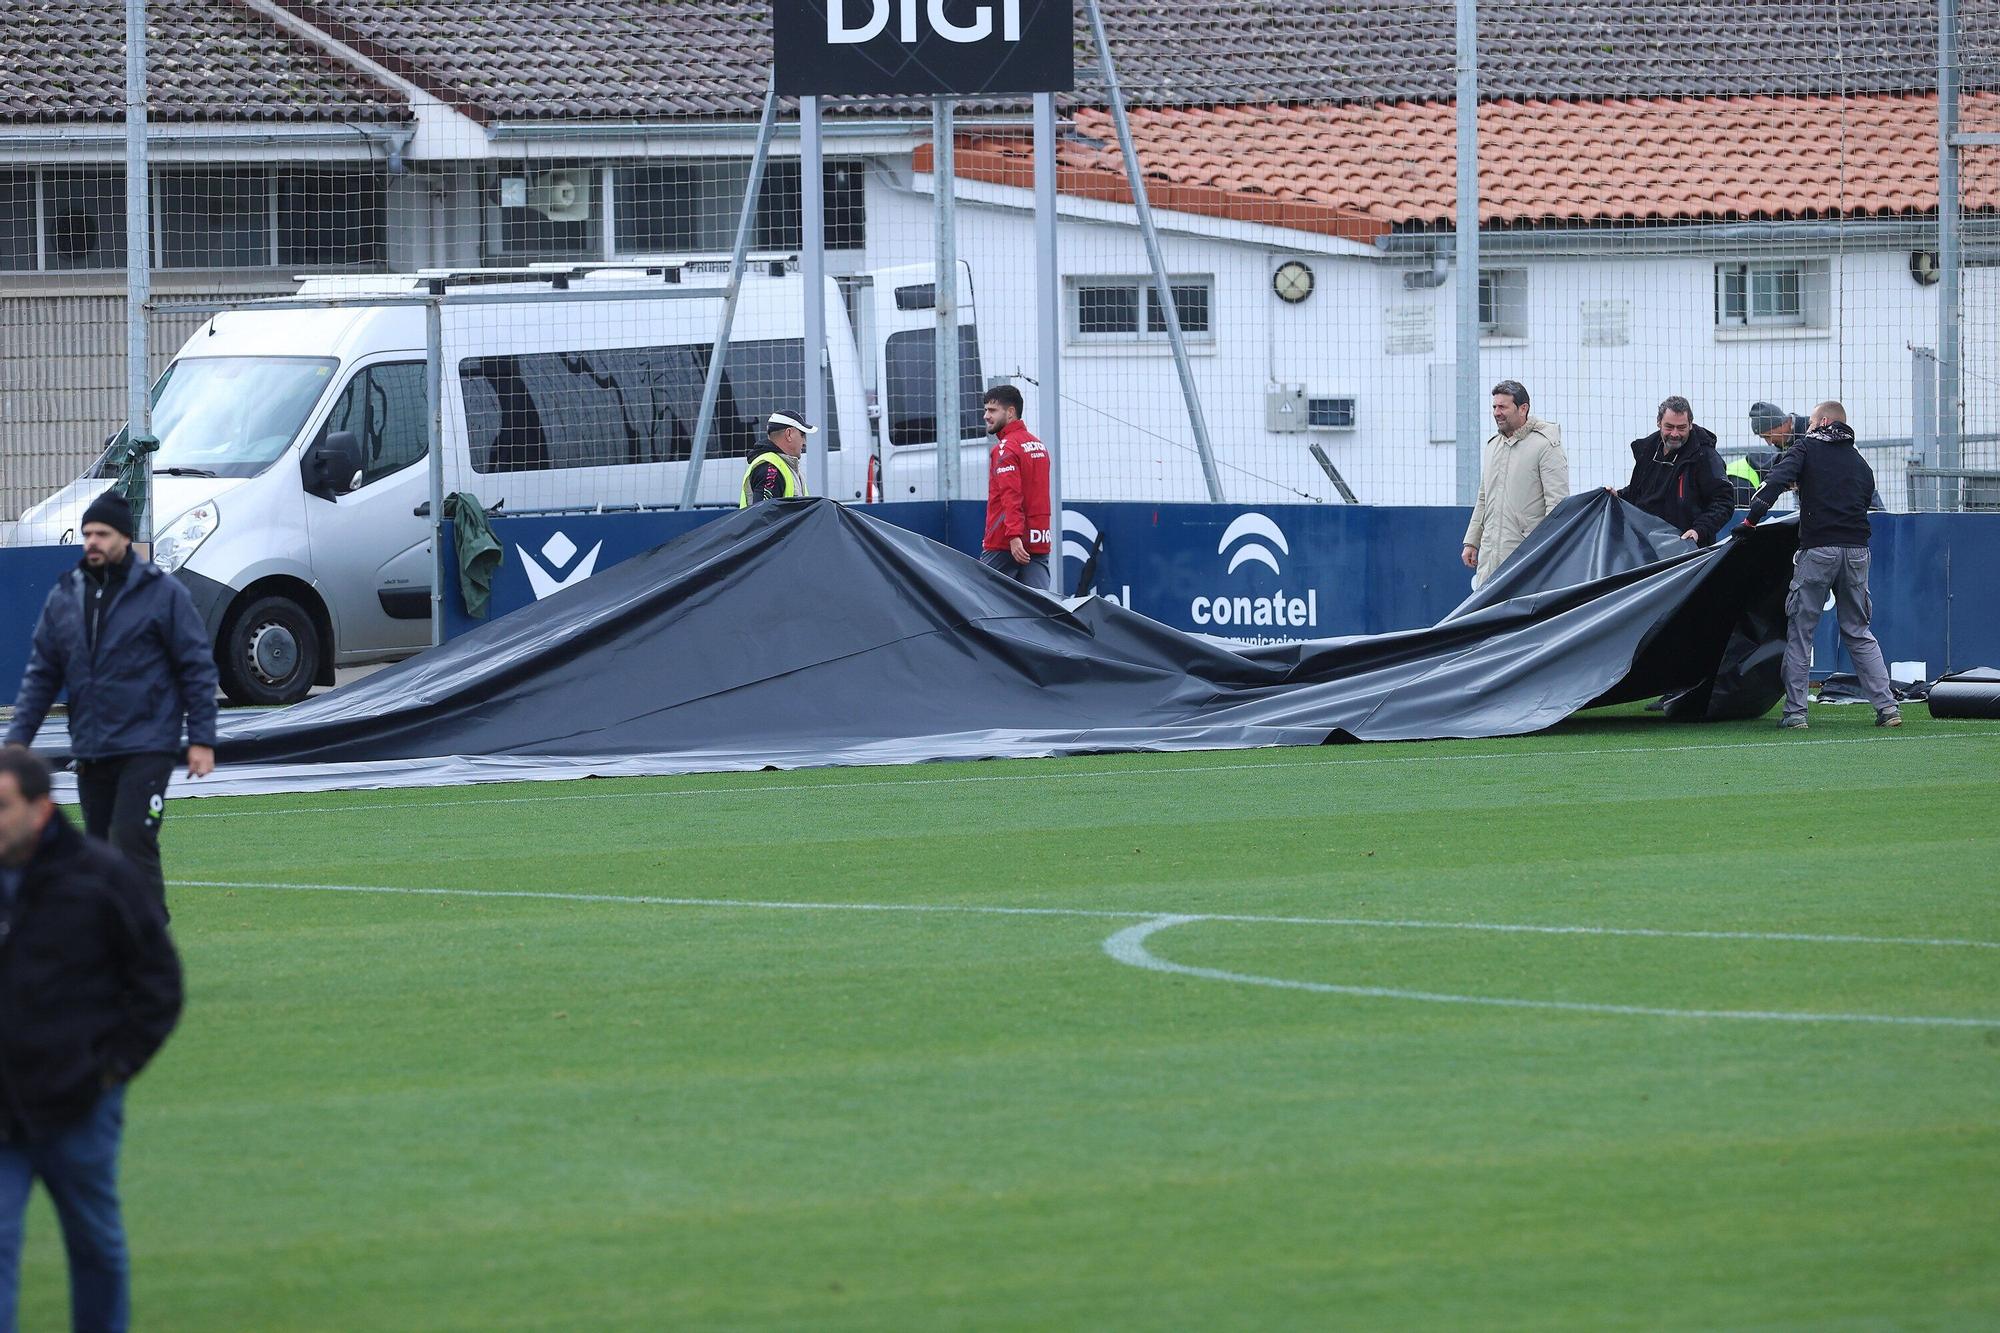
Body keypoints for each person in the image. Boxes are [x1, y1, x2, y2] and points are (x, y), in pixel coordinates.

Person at [0, 747, 184, 1333]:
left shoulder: (101, 878)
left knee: (95, 1249)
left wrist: (111, 1071)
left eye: (1, 807)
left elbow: (159, 985)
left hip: (79, 1105)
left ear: (40, 808)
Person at [5, 490, 218, 901]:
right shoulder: (66, 596)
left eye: (102, 533)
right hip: (92, 749)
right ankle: (111, 946)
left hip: (147, 745)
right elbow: (42, 677)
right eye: (87, 534)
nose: (92, 542)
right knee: (98, 854)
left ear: (124, 537)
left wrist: (203, 740)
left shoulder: (163, 593)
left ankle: (149, 940)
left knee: (132, 841)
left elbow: (196, 666)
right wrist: (17, 744)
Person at [1739, 400, 1901, 730]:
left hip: (1819, 552)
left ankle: (1796, 714)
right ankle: (1887, 707)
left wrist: (1750, 522)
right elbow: (1865, 502)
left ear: (1824, 421)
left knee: (1801, 633)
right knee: (1858, 631)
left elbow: (1773, 484)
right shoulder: (1860, 463)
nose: (1808, 427)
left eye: (1812, 422)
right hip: (1857, 552)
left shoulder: (1805, 448)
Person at [1461, 380, 1569, 587]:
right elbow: (1483, 496)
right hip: (1490, 556)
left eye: (1503, 407)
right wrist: (1472, 541)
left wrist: (1545, 550)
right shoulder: (1493, 446)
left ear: (1523, 408)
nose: (1496, 412)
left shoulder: (1546, 445)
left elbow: (1557, 506)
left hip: (1526, 556)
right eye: (1494, 406)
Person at [1608, 395, 1735, 545]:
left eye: (1681, 428)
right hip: (1644, 546)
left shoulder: (1705, 457)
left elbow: (1723, 501)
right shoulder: (1648, 451)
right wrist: (1618, 495)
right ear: (1659, 423)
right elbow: (1640, 491)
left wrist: (1699, 530)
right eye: (1669, 427)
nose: (1675, 434)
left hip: (1685, 549)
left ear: (1690, 425)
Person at [980, 385, 1052, 591]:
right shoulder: (1038, 445)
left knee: (982, 602)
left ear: (1010, 412)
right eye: (985, 410)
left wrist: (1013, 536)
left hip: (1005, 542)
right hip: (1038, 539)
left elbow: (1011, 496)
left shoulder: (1005, 448)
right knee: (1040, 608)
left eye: (992, 410)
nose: (986, 416)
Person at [740, 411, 815, 506]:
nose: (804, 442)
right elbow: (764, 516)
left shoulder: (782, 466)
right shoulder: (770, 469)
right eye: (802, 435)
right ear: (789, 434)